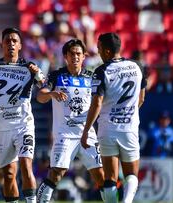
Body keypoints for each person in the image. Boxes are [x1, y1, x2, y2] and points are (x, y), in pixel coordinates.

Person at [0, 27, 45, 203]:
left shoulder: (28, 67)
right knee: (9, 174)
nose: (11, 44)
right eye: (7, 40)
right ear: (2, 44)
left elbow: (44, 87)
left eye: (14, 41)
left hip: (23, 124)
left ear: (20, 45)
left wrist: (38, 74)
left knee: (26, 165)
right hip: (2, 127)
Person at [81, 33, 146, 203]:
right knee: (131, 175)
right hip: (129, 129)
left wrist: (86, 130)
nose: (98, 51)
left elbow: (97, 104)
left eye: (100, 48)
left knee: (110, 179)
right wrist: (128, 112)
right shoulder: (137, 66)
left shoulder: (101, 71)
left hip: (107, 130)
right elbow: (141, 98)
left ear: (108, 51)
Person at [36, 39, 105, 202]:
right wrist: (51, 94)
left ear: (84, 57)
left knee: (101, 176)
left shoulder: (92, 77)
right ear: (66, 56)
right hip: (64, 135)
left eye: (78, 54)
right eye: (72, 54)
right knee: (56, 173)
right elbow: (40, 96)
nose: (75, 57)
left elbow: (101, 101)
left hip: (87, 135)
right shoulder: (56, 75)